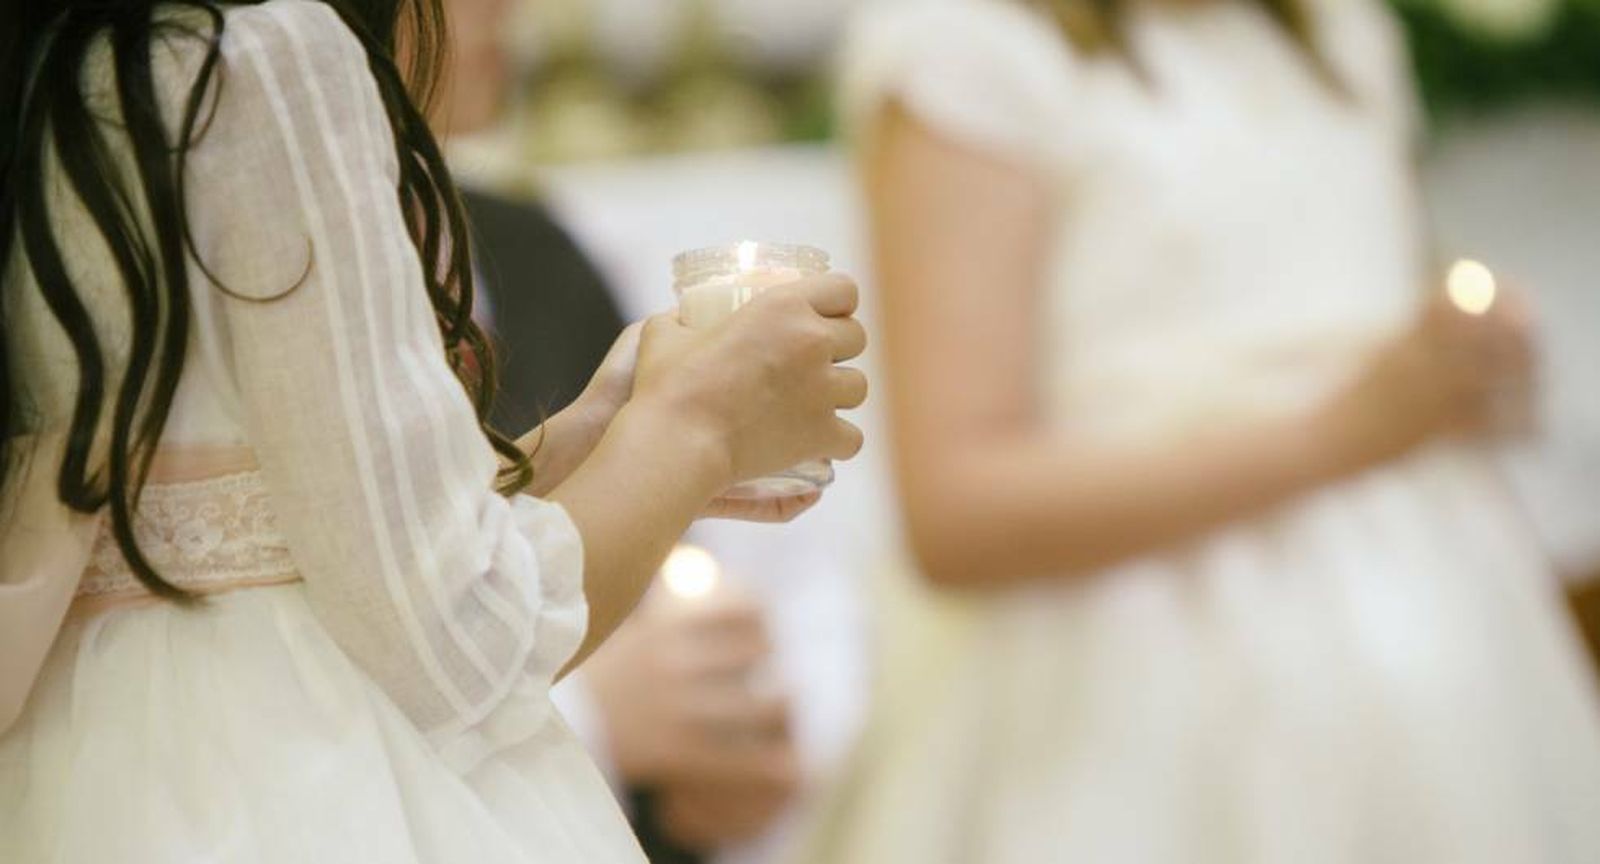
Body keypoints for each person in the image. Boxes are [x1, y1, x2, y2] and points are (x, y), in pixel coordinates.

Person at [0, 0, 869, 860]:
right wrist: (695, 428)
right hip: (291, 780)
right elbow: (459, 644)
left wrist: (598, 430)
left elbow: (280, 521)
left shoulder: (69, 73)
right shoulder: (264, 57)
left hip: (100, 763)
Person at [799, 0, 1600, 862]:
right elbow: (956, 514)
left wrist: (1459, 378)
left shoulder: (1336, 33)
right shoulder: (970, 54)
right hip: (1122, 702)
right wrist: (1350, 430)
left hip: (1435, 659)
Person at [428, 3, 868, 858]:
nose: (503, 10)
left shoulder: (537, 251)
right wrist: (598, 717)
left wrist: (753, 745)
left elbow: (767, 578)